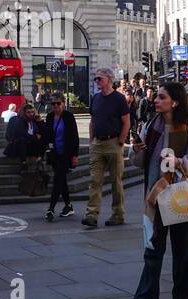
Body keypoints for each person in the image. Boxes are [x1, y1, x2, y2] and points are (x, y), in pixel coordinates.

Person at [128, 81, 188, 299]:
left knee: (183, 248)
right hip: (155, 196)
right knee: (153, 248)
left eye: (161, 97)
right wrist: (138, 150)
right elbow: (138, 162)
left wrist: (180, 162)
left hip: (180, 196)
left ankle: (184, 295)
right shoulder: (150, 127)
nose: (156, 100)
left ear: (174, 102)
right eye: (156, 96)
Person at [83, 69, 130, 229]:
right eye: (95, 79)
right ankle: (91, 215)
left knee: (116, 181)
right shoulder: (95, 98)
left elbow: (126, 122)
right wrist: (91, 141)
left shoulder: (119, 98)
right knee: (95, 180)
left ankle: (118, 214)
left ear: (109, 80)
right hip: (98, 144)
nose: (97, 81)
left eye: (99, 79)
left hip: (113, 143)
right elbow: (92, 121)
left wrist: (121, 141)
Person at [43, 93, 80, 221]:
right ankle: (68, 205)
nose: (55, 106)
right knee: (61, 180)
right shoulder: (49, 116)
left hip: (66, 153)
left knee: (58, 180)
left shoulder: (68, 117)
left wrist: (75, 155)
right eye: (53, 104)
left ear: (63, 103)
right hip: (54, 154)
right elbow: (47, 134)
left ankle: (51, 209)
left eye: (58, 103)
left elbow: (75, 137)